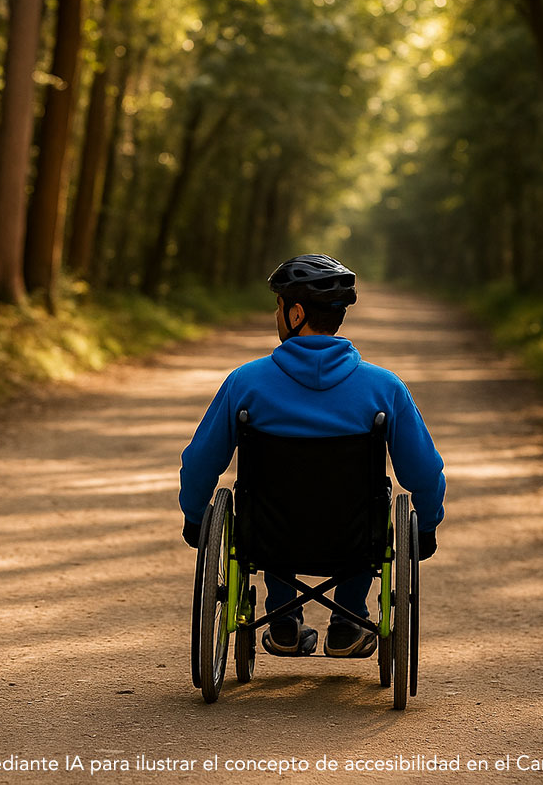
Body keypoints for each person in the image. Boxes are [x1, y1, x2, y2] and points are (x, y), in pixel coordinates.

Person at [178, 255, 445, 658]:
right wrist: (426, 526)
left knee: (267, 501)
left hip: (269, 536)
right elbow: (423, 471)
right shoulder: (384, 388)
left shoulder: (245, 383)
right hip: (355, 539)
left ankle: (283, 621)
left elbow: (200, 461)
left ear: (296, 313)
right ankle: (349, 620)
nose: (276, 314)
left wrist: (196, 518)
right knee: (371, 504)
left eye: (279, 306)